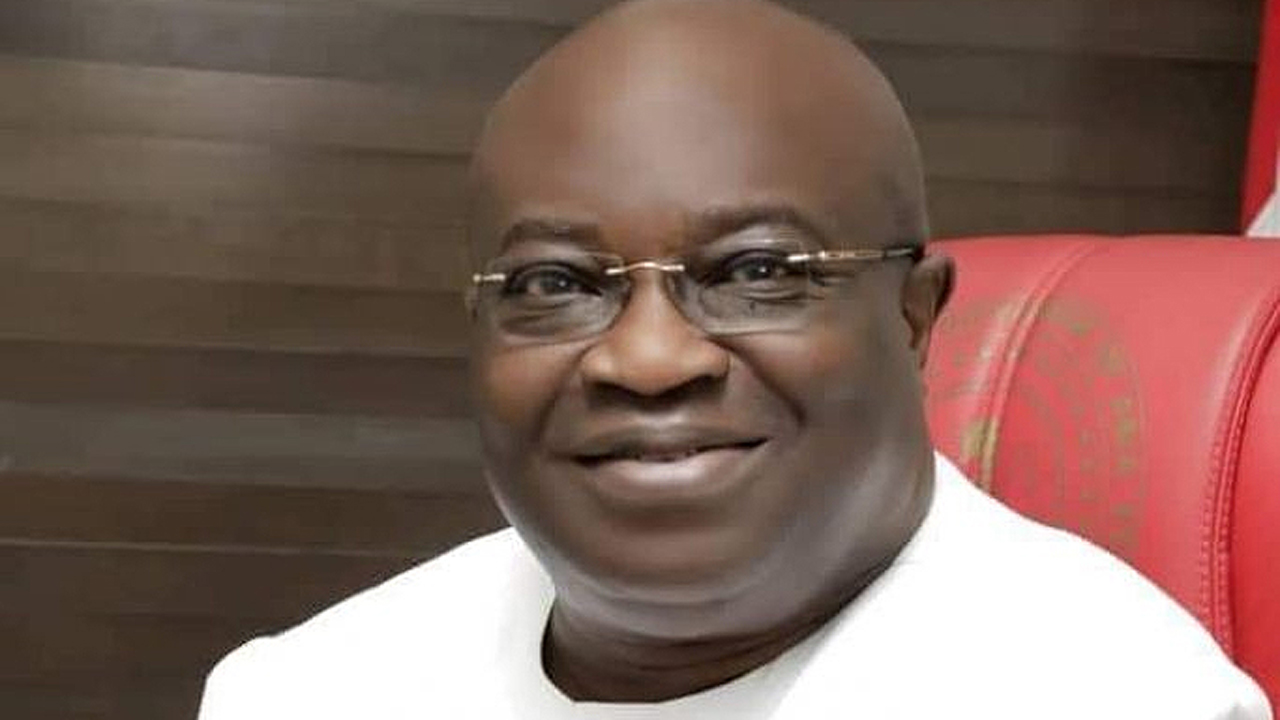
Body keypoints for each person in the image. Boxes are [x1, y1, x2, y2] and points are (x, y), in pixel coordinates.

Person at [198, 1, 1272, 717]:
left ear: (912, 320)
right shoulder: (307, 692)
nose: (647, 358)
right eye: (556, 285)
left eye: (757, 271)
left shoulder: (1112, 697)